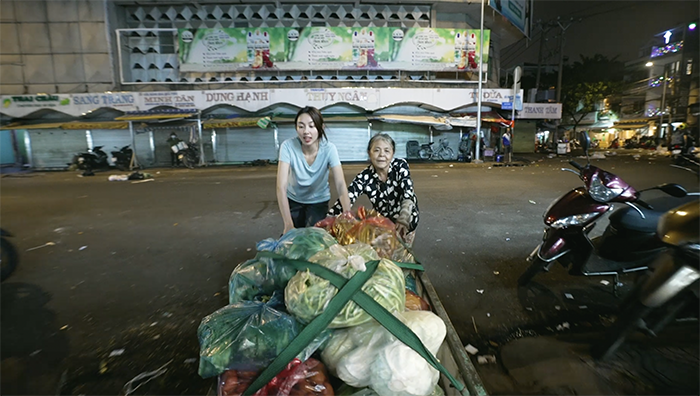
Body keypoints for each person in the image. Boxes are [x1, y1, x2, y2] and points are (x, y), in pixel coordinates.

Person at [329, 133, 420, 245]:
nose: (382, 155)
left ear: (393, 154)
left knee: (402, 255)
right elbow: (348, 197)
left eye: (387, 151)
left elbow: (408, 192)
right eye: (376, 150)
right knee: (385, 257)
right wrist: (329, 219)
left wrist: (404, 219)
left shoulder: (400, 166)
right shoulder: (365, 176)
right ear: (369, 153)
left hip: (406, 222)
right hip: (384, 226)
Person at [277, 106, 351, 235]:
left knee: (315, 240)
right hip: (294, 199)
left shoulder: (329, 149)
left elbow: (340, 183)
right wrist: (288, 223)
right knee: (292, 239)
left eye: (311, 126)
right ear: (296, 128)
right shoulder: (287, 147)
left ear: (320, 127)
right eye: (301, 126)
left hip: (318, 200)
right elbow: (281, 187)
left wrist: (347, 213)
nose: (306, 131)